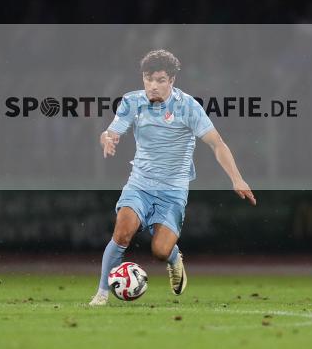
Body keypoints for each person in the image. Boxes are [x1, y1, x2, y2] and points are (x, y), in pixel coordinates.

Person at [89, 50, 256, 306]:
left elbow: (217, 143)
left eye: (160, 80)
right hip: (140, 183)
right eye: (148, 79)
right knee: (122, 233)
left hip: (173, 190)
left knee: (160, 251)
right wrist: (107, 139)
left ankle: (174, 258)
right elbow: (111, 132)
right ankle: (101, 294)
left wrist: (237, 178)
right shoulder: (132, 102)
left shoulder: (188, 107)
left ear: (172, 80)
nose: (153, 86)